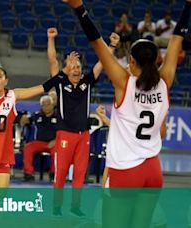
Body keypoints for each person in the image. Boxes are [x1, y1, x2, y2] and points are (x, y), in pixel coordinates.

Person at [65, 0, 189, 226]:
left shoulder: (124, 83)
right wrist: (188, 8)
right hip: (153, 170)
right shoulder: (165, 82)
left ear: (131, 61)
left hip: (125, 171)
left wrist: (79, 8)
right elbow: (177, 39)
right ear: (156, 60)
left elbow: (97, 43)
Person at [46, 27, 119, 217]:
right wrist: (51, 39)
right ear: (66, 68)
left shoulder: (87, 82)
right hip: (65, 134)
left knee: (79, 173)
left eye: (78, 66)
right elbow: (52, 61)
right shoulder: (60, 82)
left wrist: (111, 46)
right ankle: (56, 207)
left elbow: (102, 63)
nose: (76, 69)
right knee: (61, 172)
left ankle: (75, 206)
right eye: (73, 66)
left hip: (83, 135)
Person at [22, 95, 58, 182]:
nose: (46, 107)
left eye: (48, 104)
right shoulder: (37, 115)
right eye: (43, 105)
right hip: (39, 142)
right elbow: (26, 120)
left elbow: (64, 131)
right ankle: (28, 173)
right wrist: (23, 119)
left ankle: (54, 174)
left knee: (57, 150)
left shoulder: (59, 116)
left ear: (52, 104)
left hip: (54, 142)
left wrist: (56, 140)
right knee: (28, 147)